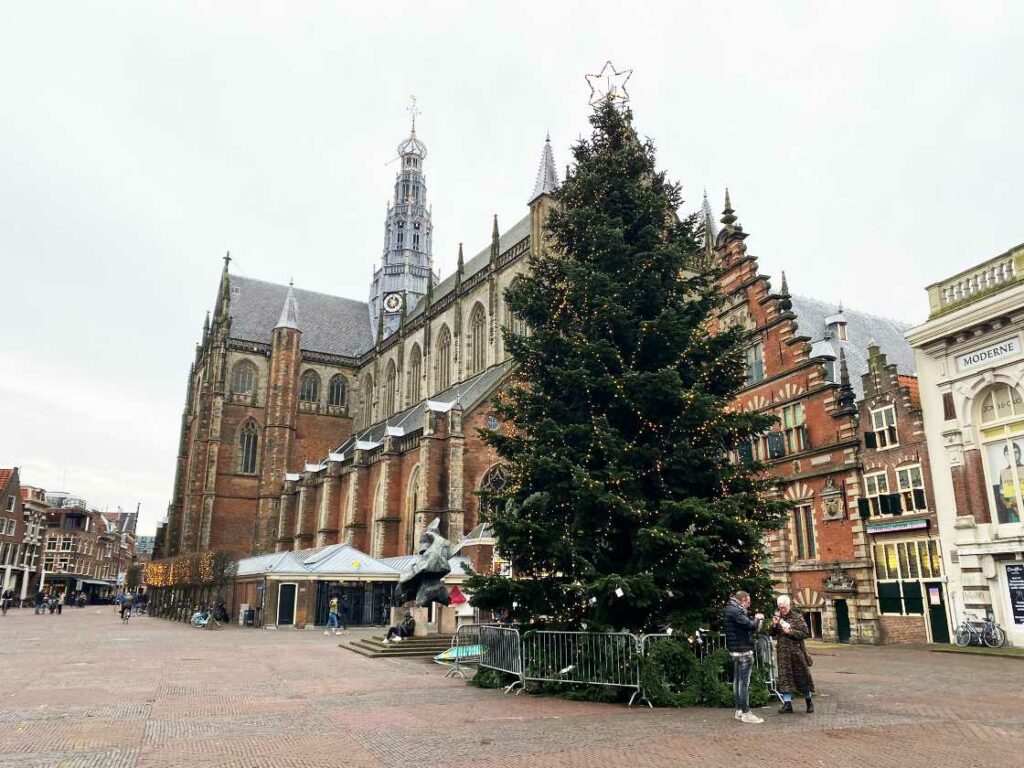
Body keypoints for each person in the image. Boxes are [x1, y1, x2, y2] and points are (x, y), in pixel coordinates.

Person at [724, 590, 766, 724]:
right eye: (748, 602)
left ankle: (739, 711)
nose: (749, 604)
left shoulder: (730, 610)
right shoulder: (735, 611)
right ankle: (746, 712)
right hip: (743, 651)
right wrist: (758, 618)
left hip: (735, 651)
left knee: (737, 682)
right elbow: (751, 625)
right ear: (742, 600)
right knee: (743, 683)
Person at [770, 594, 815, 713]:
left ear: (788, 605)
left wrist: (790, 632)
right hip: (783, 653)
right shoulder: (778, 617)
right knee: (785, 678)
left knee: (802, 677)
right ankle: (787, 703)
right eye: (779, 607)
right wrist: (774, 625)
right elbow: (772, 633)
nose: (781, 609)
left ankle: (809, 701)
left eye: (783, 607)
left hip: (796, 653)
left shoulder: (797, 617)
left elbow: (805, 633)